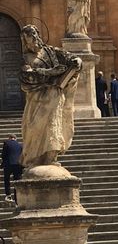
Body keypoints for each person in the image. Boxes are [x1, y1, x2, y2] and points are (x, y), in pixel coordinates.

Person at [19, 24, 82, 168]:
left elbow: (71, 58)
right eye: (28, 36)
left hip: (54, 95)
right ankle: (34, 158)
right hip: (37, 98)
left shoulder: (51, 51)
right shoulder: (25, 57)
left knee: (53, 125)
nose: (33, 38)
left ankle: (50, 157)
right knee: (34, 126)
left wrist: (77, 61)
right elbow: (26, 77)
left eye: (34, 34)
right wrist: (51, 72)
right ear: (24, 40)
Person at [2, 134, 23, 202]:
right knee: (17, 181)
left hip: (8, 164)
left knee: (6, 179)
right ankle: (17, 199)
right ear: (15, 138)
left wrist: (3, 163)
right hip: (18, 165)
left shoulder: (6, 143)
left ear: (9, 138)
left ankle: (8, 195)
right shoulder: (20, 145)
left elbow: (3, 155)